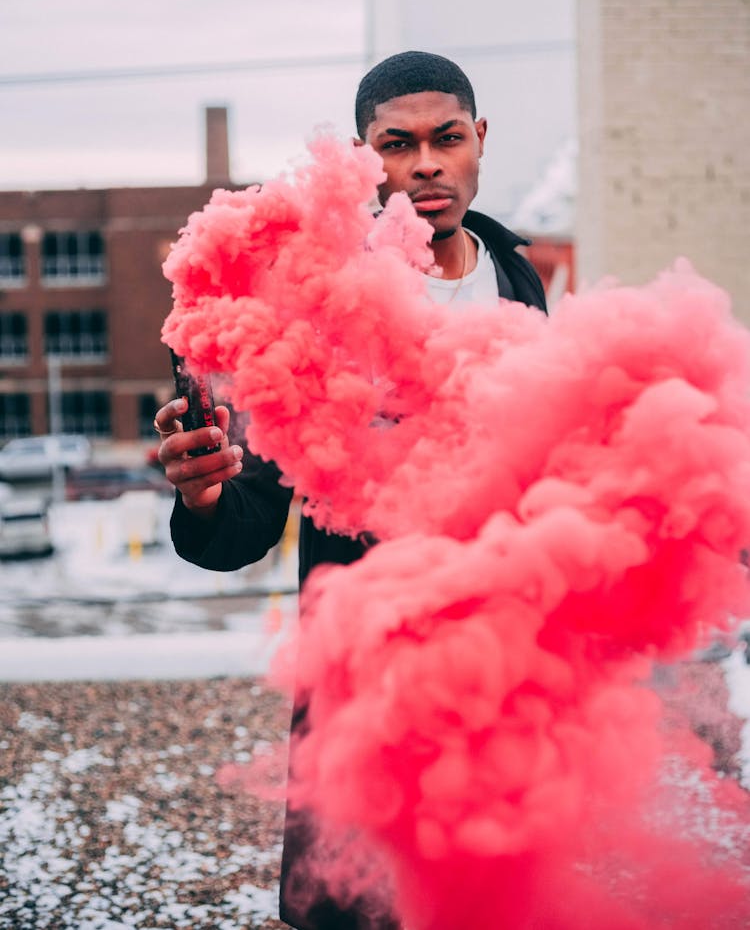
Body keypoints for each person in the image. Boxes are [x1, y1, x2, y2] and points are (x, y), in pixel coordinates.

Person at [154, 50, 547, 929]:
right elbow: (247, 518)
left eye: (447, 138)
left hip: (505, 672)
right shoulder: (320, 296)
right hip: (366, 681)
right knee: (365, 903)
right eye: (397, 145)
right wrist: (205, 493)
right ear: (367, 164)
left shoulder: (521, 279)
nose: (427, 164)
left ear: (479, 140)